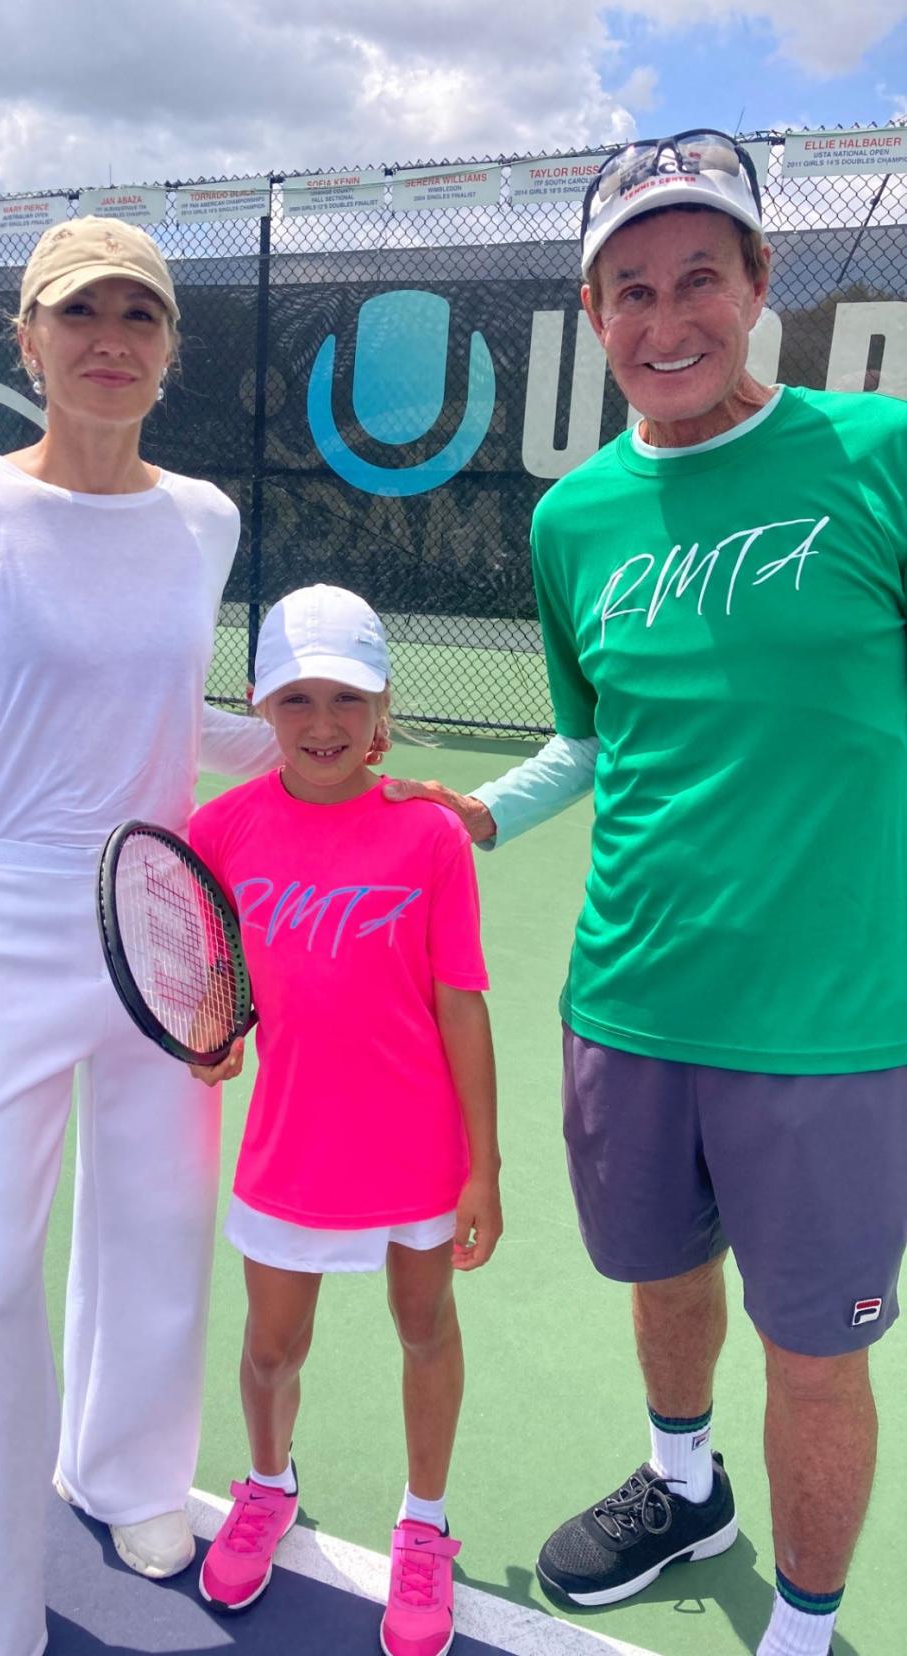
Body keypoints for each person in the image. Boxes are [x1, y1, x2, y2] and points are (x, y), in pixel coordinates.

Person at [386, 130, 907, 1656]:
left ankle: (799, 1631)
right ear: (590, 313)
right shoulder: (571, 521)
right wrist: (473, 816)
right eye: (630, 290)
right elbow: (588, 741)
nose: (664, 320)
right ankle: (687, 1490)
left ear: (758, 284)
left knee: (811, 1353)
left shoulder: (875, 456)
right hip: (625, 1002)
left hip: (829, 1030)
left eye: (697, 278)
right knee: (662, 1282)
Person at [0, 216, 283, 1656]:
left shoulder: (205, 522)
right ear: (29, 337)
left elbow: (174, 719)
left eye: (139, 316)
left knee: (158, 1230)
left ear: (169, 351)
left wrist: (318, 749)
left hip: (162, 924)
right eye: (79, 314)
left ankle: (127, 1477)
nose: (110, 338)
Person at [186, 584, 502, 1656]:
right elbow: (214, 970)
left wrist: (485, 1168)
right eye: (297, 699)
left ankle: (425, 1526)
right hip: (291, 1147)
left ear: (383, 710)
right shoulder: (219, 827)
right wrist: (214, 1020)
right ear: (259, 705)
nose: (323, 726)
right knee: (273, 1347)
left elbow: (461, 1003)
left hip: (419, 1152)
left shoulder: (429, 840)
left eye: (347, 700)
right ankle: (267, 1484)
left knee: (426, 1329)